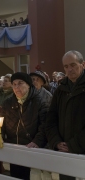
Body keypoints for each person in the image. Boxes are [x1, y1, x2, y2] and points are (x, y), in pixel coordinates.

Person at [0, 72, 50, 180]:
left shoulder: (39, 101)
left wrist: (37, 141)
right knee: (15, 175)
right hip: (14, 147)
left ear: (28, 84)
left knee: (32, 176)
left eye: (20, 83)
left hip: (32, 147)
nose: (16, 87)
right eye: (14, 84)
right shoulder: (8, 102)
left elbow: (45, 125)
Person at [46, 50, 85, 180]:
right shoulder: (60, 90)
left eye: (73, 65)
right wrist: (56, 142)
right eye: (66, 66)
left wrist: (73, 145)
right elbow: (51, 119)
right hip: (64, 151)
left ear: (83, 65)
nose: (69, 69)